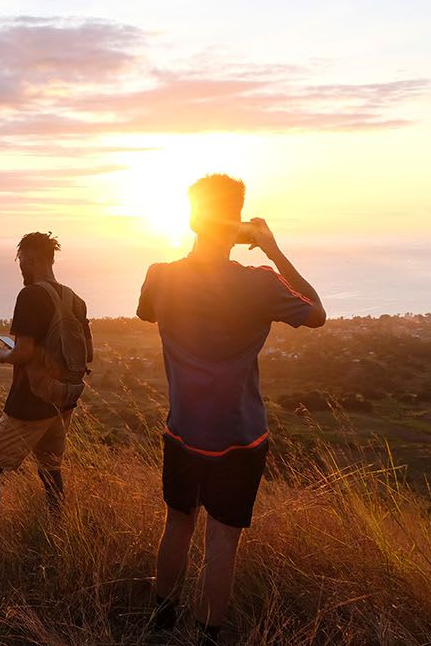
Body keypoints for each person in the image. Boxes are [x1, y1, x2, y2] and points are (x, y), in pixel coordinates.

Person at [137, 174, 326, 644]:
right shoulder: (259, 284)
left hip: (182, 429)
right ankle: (205, 637)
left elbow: (146, 313)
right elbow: (316, 311)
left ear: (192, 217)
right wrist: (273, 250)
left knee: (177, 524)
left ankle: (161, 624)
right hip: (239, 438)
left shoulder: (160, 275)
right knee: (222, 542)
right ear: (238, 220)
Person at [0, 232, 92, 553]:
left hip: (31, 402)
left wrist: (3, 354)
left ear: (33, 259)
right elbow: (87, 353)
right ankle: (58, 534)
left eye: (22, 261)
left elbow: (24, 351)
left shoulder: (29, 296)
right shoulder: (75, 299)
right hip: (63, 399)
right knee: (50, 470)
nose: (21, 269)